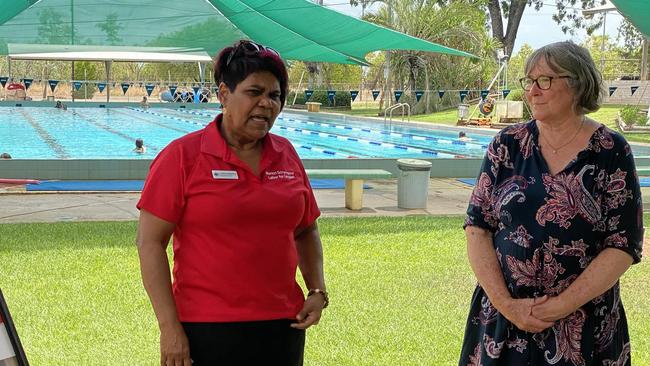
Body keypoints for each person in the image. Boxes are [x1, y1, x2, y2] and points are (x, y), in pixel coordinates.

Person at [136, 39, 327, 366]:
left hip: (283, 324)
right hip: (207, 327)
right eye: (255, 92)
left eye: (275, 95)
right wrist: (169, 327)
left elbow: (305, 230)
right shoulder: (183, 157)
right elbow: (150, 242)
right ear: (224, 94)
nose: (267, 104)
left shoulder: (286, 154)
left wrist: (317, 291)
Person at [459, 41, 643, 365]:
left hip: (586, 327)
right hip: (503, 322)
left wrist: (559, 307)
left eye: (544, 80)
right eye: (528, 81)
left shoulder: (611, 151)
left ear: (577, 84)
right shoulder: (506, 145)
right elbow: (477, 228)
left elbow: (622, 245)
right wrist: (507, 304)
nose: (532, 91)